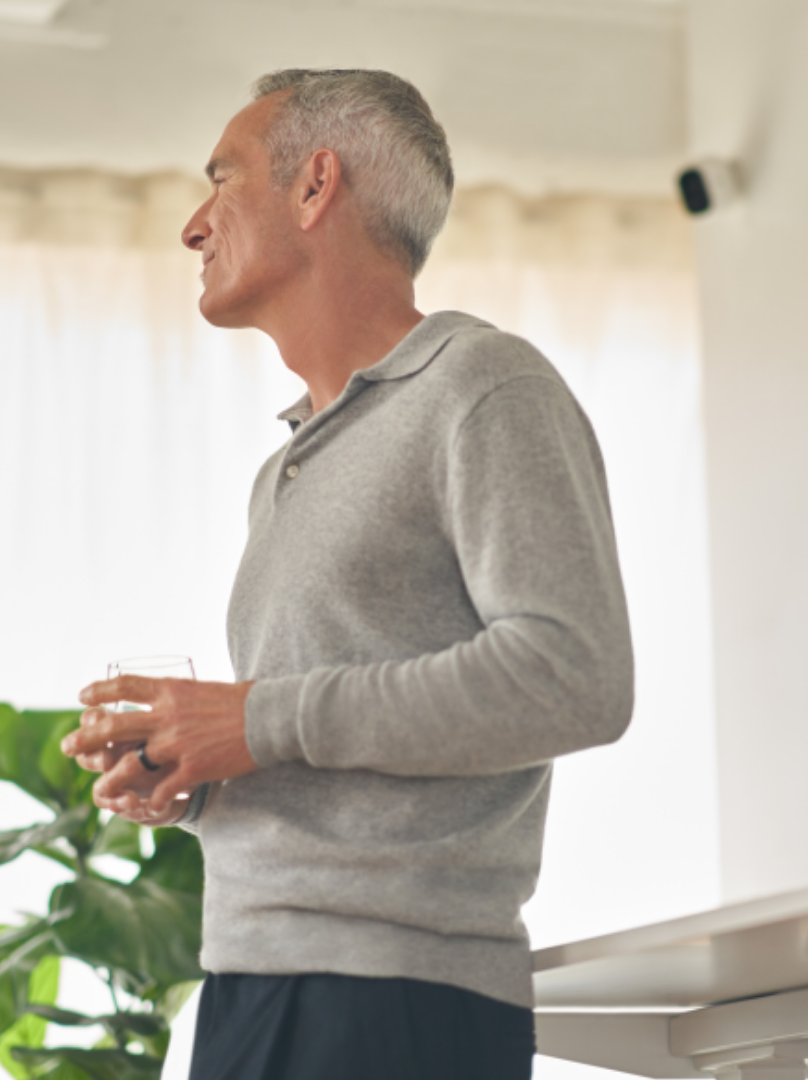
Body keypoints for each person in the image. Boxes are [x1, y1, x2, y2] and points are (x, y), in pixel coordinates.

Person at [60, 68, 634, 1080]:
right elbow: (321, 741)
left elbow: (573, 676)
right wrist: (195, 773)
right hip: (250, 984)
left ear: (315, 186)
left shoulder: (482, 388)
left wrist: (252, 721)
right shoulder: (282, 467)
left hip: (392, 1004)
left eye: (223, 180)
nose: (194, 226)